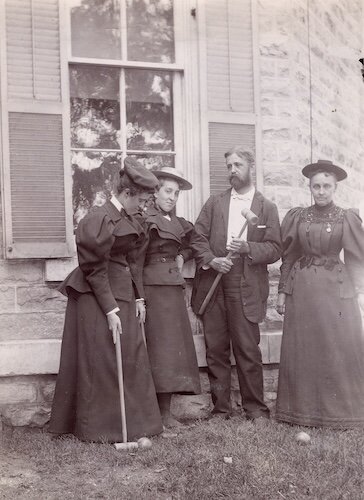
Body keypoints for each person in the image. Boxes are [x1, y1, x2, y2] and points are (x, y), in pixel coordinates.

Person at [49, 158, 163, 442]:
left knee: (129, 354)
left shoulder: (130, 218)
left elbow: (131, 261)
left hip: (122, 292)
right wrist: (110, 308)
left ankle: (137, 426)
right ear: (127, 194)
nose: (146, 206)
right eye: (144, 200)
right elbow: (94, 270)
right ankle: (99, 429)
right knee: (101, 360)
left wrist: (138, 297)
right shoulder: (98, 218)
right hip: (95, 296)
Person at [190, 146, 281, 420]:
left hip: (247, 287)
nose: (232, 170)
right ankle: (221, 409)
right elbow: (197, 237)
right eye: (229, 165)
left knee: (247, 349)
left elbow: (276, 248)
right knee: (216, 349)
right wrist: (212, 260)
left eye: (238, 165)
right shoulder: (214, 203)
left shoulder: (266, 208)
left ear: (251, 168)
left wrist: (247, 248)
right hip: (215, 285)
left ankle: (255, 410)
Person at [276, 159, 364, 428]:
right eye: (317, 186)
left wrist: (358, 290)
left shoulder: (346, 217)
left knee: (338, 347)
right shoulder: (298, 217)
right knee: (305, 348)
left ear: (335, 188)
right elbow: (288, 256)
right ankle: (301, 413)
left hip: (336, 291)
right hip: (303, 289)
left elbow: (356, 258)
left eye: (327, 186)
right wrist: (282, 292)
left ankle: (340, 413)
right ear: (310, 188)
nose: (322, 191)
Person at [142, 167, 201, 428]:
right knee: (156, 349)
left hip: (172, 287)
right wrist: (138, 295)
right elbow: (134, 258)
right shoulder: (145, 218)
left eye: (176, 194)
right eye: (167, 191)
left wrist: (183, 256)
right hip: (152, 287)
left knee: (171, 350)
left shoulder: (178, 222)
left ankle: (166, 413)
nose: (172, 198)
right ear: (155, 191)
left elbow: (197, 243)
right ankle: (154, 414)